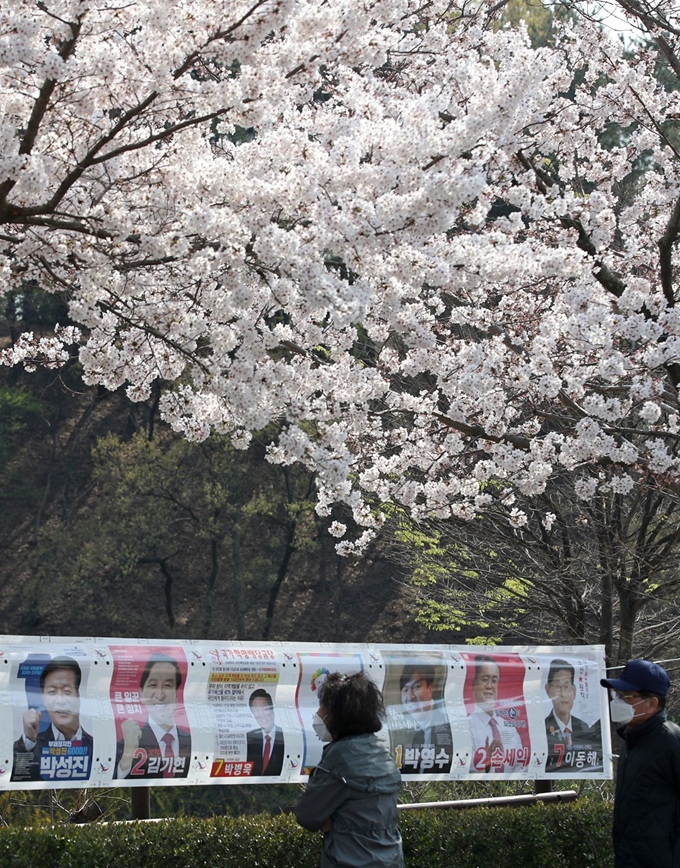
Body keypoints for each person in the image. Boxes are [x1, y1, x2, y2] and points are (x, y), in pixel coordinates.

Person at [293, 671, 403, 868]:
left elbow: (307, 815)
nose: (318, 713)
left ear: (339, 713)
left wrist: (330, 821)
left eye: (322, 705)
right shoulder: (379, 747)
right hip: (390, 858)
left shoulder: (340, 757)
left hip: (349, 861)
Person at [601, 658, 680, 868]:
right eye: (616, 695)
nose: (617, 701)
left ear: (652, 703)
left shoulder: (671, 741)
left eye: (626, 696)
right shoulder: (631, 739)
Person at [12, 656, 93, 782]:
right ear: (43, 698)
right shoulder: (32, 744)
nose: (60, 701)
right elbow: (13, 776)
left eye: (67, 692)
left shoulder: (98, 745)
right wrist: (28, 741)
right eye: (52, 692)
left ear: (78, 695)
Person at [114, 653, 191, 779]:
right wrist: (128, 753)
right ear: (141, 693)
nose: (160, 695)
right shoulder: (127, 744)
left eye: (167, 686)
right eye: (153, 685)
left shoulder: (192, 742)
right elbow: (112, 780)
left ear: (177, 693)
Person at [467, 654, 524, 773]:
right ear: (474, 685)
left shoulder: (510, 729)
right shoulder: (466, 727)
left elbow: (521, 769)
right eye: (484, 679)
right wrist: (486, 763)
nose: (489, 686)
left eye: (494, 681)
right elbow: (463, 771)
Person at [545, 658, 601, 773]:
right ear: (548, 690)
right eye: (557, 686)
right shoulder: (541, 728)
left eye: (566, 687)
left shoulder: (586, 729)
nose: (563, 694)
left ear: (574, 691)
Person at [398, 663, 453, 773]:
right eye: (405, 690)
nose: (410, 696)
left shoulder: (448, 722)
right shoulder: (406, 729)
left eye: (416, 687)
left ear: (430, 688)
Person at [246, 688, 285, 776]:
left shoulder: (286, 736)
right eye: (256, 710)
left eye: (265, 708)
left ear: (272, 709)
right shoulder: (249, 738)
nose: (261, 714)